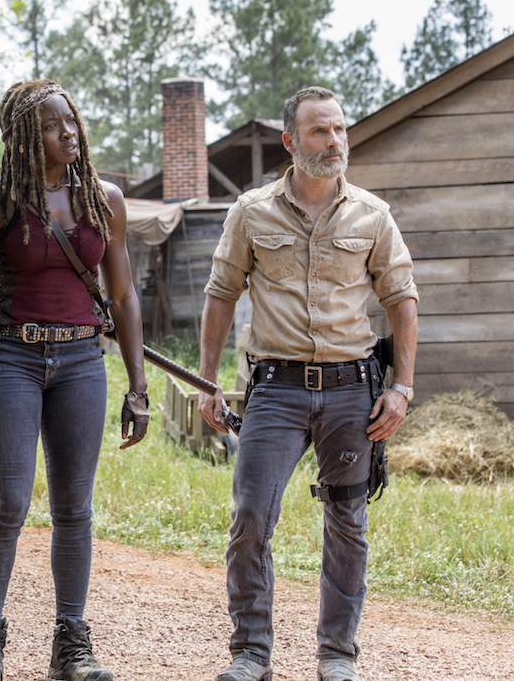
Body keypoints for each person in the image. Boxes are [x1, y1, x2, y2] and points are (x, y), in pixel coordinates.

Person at [197, 86, 418, 681]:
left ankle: (337, 655)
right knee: (251, 514)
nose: (334, 141)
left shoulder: (373, 214)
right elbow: (221, 294)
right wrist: (206, 381)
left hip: (352, 390)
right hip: (276, 389)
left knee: (348, 522)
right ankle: (250, 653)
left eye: (340, 129)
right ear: (290, 142)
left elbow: (402, 299)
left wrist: (401, 388)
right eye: (320, 131)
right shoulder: (251, 212)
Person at [0, 79, 149, 681]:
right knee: (8, 503)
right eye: (52, 125)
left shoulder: (104, 200)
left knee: (73, 509)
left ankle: (71, 643)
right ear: (23, 139)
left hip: (83, 361)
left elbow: (122, 296)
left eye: (71, 121)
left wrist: (138, 387)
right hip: (10, 358)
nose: (69, 132)